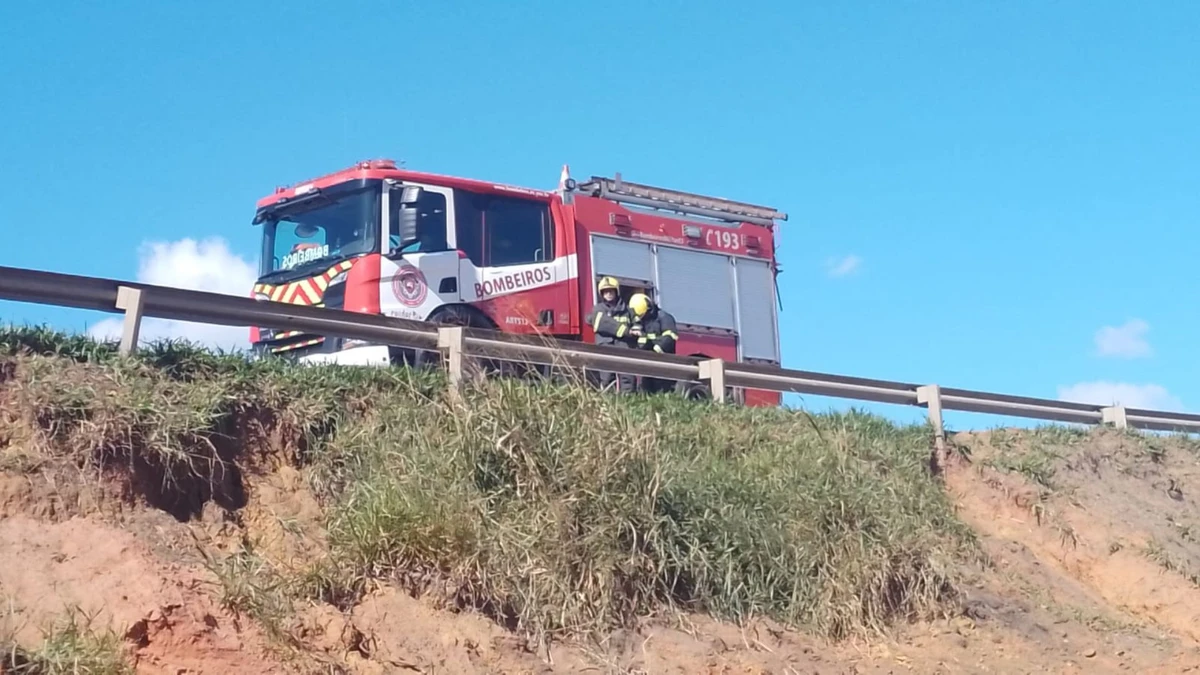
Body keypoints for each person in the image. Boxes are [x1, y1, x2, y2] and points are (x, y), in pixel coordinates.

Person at [584, 276, 635, 393]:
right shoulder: (598, 309)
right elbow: (604, 323)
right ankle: (608, 403)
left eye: (611, 291)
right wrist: (627, 332)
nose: (608, 294)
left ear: (616, 292)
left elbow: (637, 324)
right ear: (601, 294)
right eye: (605, 291)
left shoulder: (628, 310)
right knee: (607, 377)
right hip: (606, 346)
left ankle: (628, 402)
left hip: (624, 347)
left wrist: (637, 330)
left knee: (627, 377)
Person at [626, 292, 679, 394]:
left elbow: (670, 337)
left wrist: (656, 350)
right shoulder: (643, 320)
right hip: (648, 364)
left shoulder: (664, 318)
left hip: (664, 363)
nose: (641, 318)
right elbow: (641, 339)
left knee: (662, 390)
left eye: (643, 315)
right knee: (646, 390)